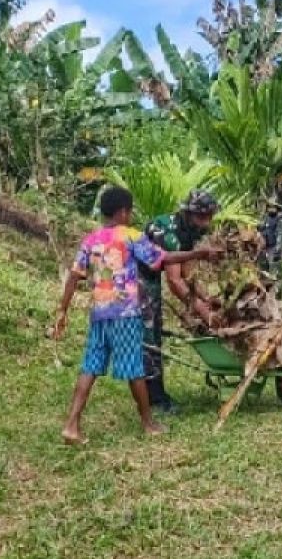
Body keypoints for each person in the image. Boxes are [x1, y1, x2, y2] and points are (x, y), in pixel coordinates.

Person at [50, 187, 221, 444]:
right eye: (130, 211)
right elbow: (161, 259)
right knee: (135, 369)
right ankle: (149, 422)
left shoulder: (91, 239)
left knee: (90, 368)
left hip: (99, 314)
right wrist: (199, 254)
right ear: (123, 212)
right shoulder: (131, 236)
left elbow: (74, 275)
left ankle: (71, 425)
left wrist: (62, 310)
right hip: (126, 313)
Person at [139, 190, 223, 414]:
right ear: (188, 212)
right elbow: (175, 282)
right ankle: (155, 400)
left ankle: (155, 394)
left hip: (150, 279)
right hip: (135, 279)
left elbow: (188, 274)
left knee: (154, 334)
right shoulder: (169, 232)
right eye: (202, 216)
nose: (206, 222)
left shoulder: (188, 231)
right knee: (149, 338)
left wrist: (208, 299)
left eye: (209, 217)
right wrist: (207, 316)